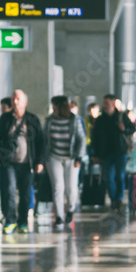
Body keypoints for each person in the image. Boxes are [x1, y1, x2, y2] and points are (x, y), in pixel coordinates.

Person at [0, 89, 45, 234]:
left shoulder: (33, 119)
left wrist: (40, 161)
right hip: (8, 163)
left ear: (25, 102)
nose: (14, 102)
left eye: (17, 99)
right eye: (12, 99)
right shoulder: (5, 119)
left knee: (26, 193)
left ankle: (22, 222)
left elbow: (41, 142)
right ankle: (9, 221)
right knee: (8, 190)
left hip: (27, 163)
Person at [44, 95, 86, 230]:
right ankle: (59, 217)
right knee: (57, 187)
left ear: (61, 106)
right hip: (54, 157)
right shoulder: (49, 120)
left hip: (71, 158)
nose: (53, 108)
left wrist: (79, 157)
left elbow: (81, 139)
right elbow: (45, 140)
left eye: (55, 105)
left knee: (71, 188)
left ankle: (71, 209)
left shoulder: (74, 120)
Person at [92, 94, 135, 212]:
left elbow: (132, 128)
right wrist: (95, 154)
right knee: (108, 177)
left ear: (113, 103)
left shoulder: (121, 116)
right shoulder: (100, 119)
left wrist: (124, 129)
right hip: (105, 153)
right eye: (104, 103)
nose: (104, 105)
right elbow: (95, 137)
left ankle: (119, 198)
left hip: (121, 152)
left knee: (120, 176)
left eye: (106, 103)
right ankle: (113, 200)